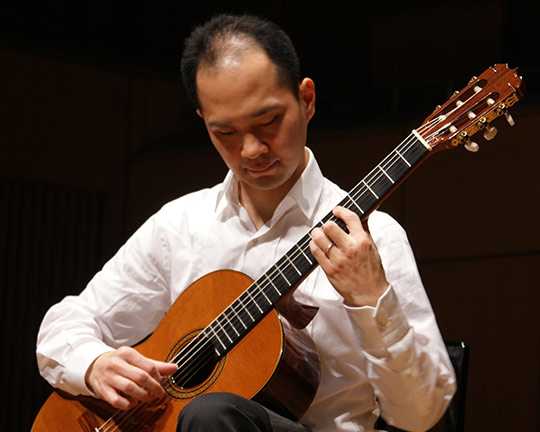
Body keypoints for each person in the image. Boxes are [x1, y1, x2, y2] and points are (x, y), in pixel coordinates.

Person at [36, 13, 456, 432]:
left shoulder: (372, 238)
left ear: (307, 99)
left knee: (213, 414)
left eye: (268, 121)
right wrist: (95, 364)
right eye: (226, 132)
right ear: (204, 122)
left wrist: (371, 295)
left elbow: (421, 414)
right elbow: (64, 325)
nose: (252, 149)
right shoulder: (180, 226)